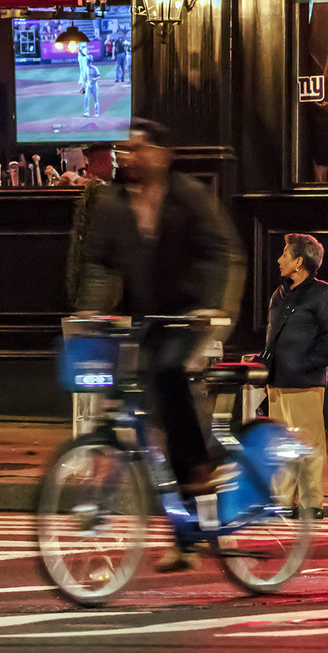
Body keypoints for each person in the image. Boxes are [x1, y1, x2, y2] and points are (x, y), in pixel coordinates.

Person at [78, 119, 244, 497]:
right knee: (126, 391)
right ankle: (181, 523)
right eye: (127, 149)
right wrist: (91, 310)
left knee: (169, 372)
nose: (131, 156)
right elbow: (100, 263)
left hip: (192, 313)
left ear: (164, 156)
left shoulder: (189, 196)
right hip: (147, 316)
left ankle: (201, 467)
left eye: (140, 148)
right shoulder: (114, 203)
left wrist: (212, 307)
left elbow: (222, 252)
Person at [263, 233, 328, 518]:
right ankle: (284, 502)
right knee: (280, 446)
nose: (279, 259)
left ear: (299, 262)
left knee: (308, 444)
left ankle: (311, 503)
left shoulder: (324, 294)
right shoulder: (280, 294)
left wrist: (308, 364)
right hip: (278, 382)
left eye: (285, 254)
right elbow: (271, 336)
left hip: (305, 383)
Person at [62, 142, 120, 308]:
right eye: (113, 160)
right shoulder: (98, 196)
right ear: (101, 163)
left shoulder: (106, 194)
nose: (116, 165)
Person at [79, 48, 101, 118]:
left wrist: (94, 79)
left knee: (96, 99)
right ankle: (86, 112)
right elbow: (85, 78)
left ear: (91, 62)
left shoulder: (95, 68)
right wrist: (83, 86)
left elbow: (99, 77)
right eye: (88, 63)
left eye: (89, 62)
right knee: (86, 98)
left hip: (94, 85)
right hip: (88, 85)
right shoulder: (86, 69)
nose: (88, 64)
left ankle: (96, 113)